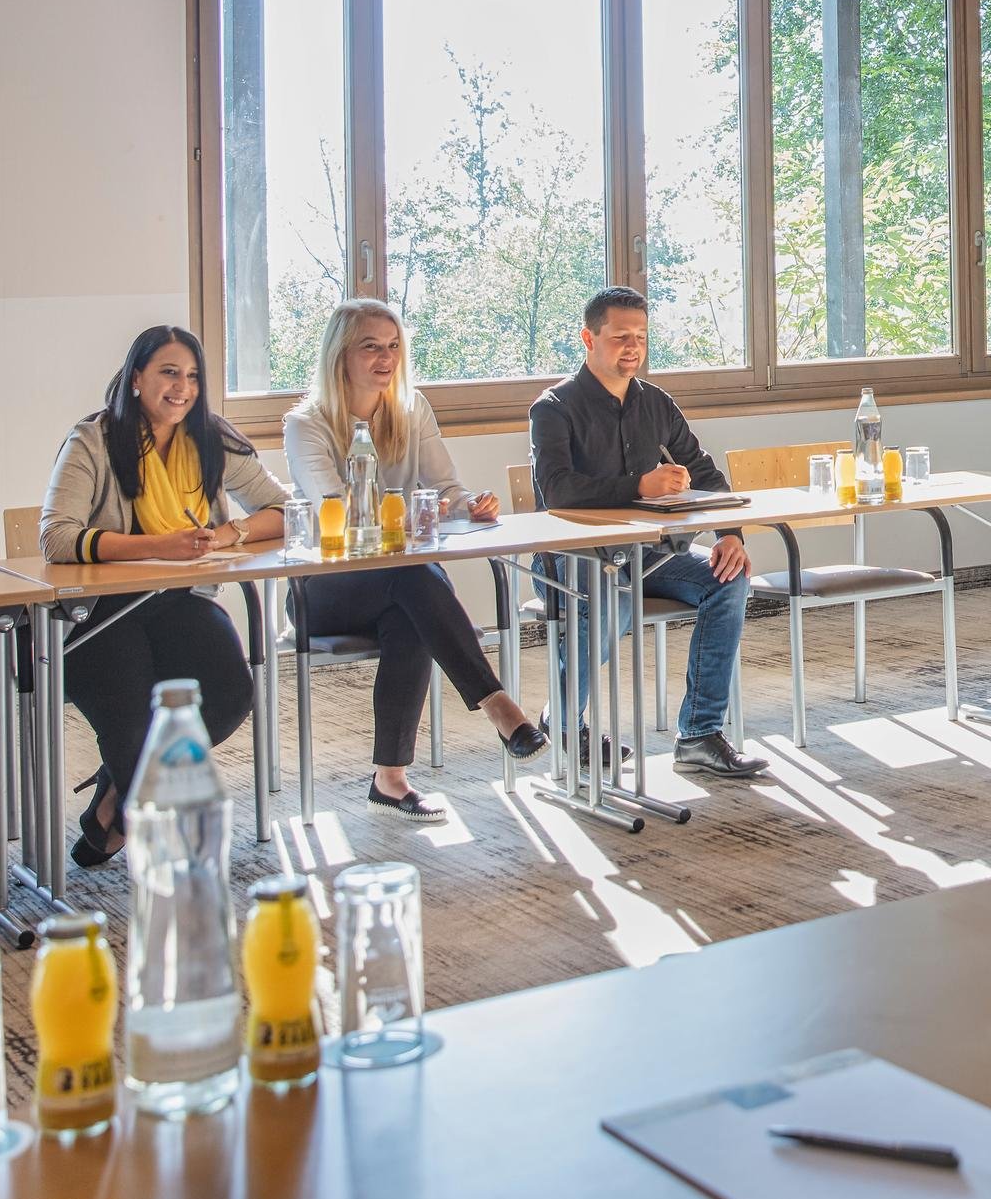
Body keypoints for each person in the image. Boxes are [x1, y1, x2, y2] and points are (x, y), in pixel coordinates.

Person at [283, 300, 549, 822]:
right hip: (326, 588)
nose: (386, 358)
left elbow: (445, 489)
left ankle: (391, 778)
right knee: (415, 578)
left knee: (411, 608)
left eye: (393, 346)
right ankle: (499, 706)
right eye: (371, 347)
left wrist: (470, 505)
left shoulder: (412, 409)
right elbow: (337, 507)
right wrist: (415, 515)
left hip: (401, 580)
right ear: (341, 356)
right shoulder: (305, 424)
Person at [41, 325, 286, 867]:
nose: (182, 388)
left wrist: (227, 535)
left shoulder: (211, 438)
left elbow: (285, 510)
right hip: (97, 612)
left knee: (227, 695)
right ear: (135, 380)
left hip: (179, 600)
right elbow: (56, 537)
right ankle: (162, 841)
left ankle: (113, 799)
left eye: (193, 376)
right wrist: (160, 546)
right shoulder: (94, 439)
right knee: (130, 717)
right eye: (169, 373)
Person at [528, 286, 766, 780]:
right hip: (572, 559)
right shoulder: (553, 407)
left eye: (640, 337)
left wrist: (730, 533)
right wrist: (638, 485)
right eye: (620, 337)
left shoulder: (656, 403)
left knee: (730, 579)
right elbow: (557, 490)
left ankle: (699, 735)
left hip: (648, 556)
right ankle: (566, 723)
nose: (632, 348)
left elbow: (703, 469)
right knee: (609, 601)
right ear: (588, 339)